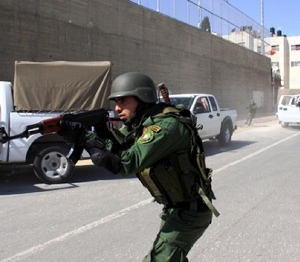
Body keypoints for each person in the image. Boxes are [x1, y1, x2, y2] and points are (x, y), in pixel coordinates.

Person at [83, 72, 219, 261]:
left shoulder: (164, 127)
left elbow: (125, 163)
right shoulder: (142, 123)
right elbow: (118, 145)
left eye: (123, 101)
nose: (117, 108)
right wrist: (94, 133)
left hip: (191, 212)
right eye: (116, 102)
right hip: (175, 209)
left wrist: (89, 143)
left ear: (142, 99)